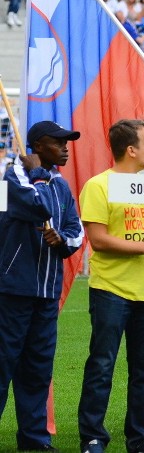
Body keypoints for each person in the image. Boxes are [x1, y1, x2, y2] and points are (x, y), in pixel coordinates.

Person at [78, 120, 144, 453]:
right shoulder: (99, 185)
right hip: (111, 290)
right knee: (102, 365)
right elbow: (98, 240)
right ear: (131, 150)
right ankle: (93, 436)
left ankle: (141, 438)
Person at [0, 122, 82, 452]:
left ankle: (34, 440)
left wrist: (62, 240)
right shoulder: (13, 176)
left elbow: (76, 232)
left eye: (67, 142)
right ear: (36, 146)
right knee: (2, 364)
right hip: (13, 290)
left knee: (38, 369)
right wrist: (36, 175)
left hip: (47, 294)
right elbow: (39, 207)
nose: (65, 147)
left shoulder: (60, 184)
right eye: (57, 142)